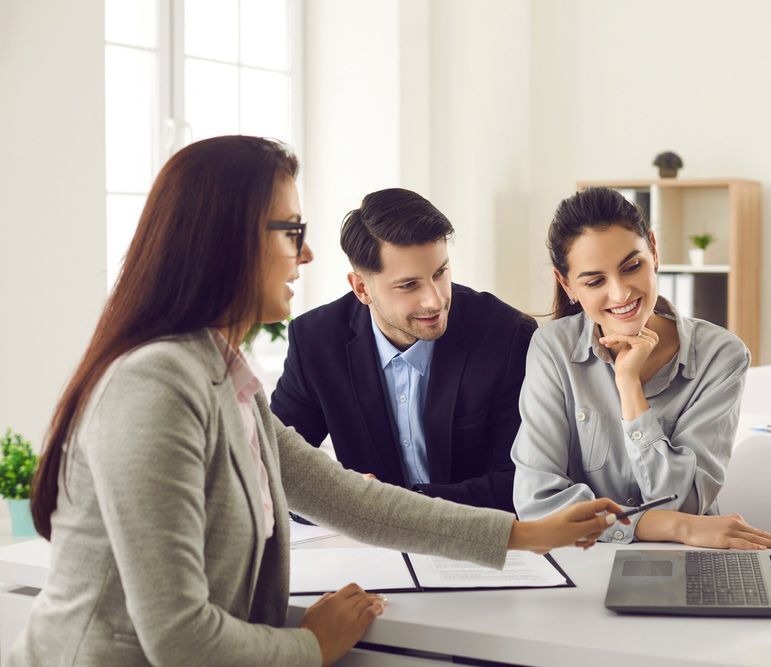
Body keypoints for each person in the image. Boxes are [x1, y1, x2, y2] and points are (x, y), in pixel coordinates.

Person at [10, 137, 625, 667]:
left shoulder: (221, 372)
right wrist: (311, 644)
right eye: (291, 233)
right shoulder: (155, 384)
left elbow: (344, 497)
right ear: (226, 242)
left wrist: (524, 535)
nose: (305, 255)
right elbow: (180, 640)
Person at [512, 186, 771, 549]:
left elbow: (685, 502)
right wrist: (672, 526)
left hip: (688, 559)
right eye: (595, 281)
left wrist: (629, 386)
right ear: (567, 284)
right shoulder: (552, 349)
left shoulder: (722, 355)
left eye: (632, 266)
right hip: (586, 562)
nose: (621, 294)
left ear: (653, 250)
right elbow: (538, 505)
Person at [270, 188, 534, 512]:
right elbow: (273, 470)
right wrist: (343, 498)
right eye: (409, 285)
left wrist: (392, 506)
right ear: (362, 288)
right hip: (370, 550)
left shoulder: (506, 334)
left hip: (479, 543)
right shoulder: (315, 342)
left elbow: (521, 483)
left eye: (440, 273)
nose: (435, 300)